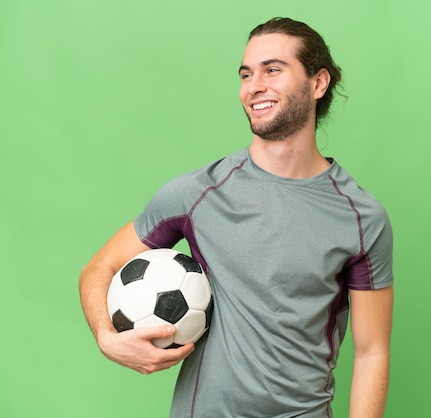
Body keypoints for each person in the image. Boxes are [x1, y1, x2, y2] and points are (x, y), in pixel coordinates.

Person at [79, 17, 394, 417]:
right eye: (246, 74)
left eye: (272, 70)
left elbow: (371, 353)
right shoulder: (196, 195)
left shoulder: (361, 218)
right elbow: (100, 268)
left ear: (318, 83)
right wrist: (108, 339)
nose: (254, 86)